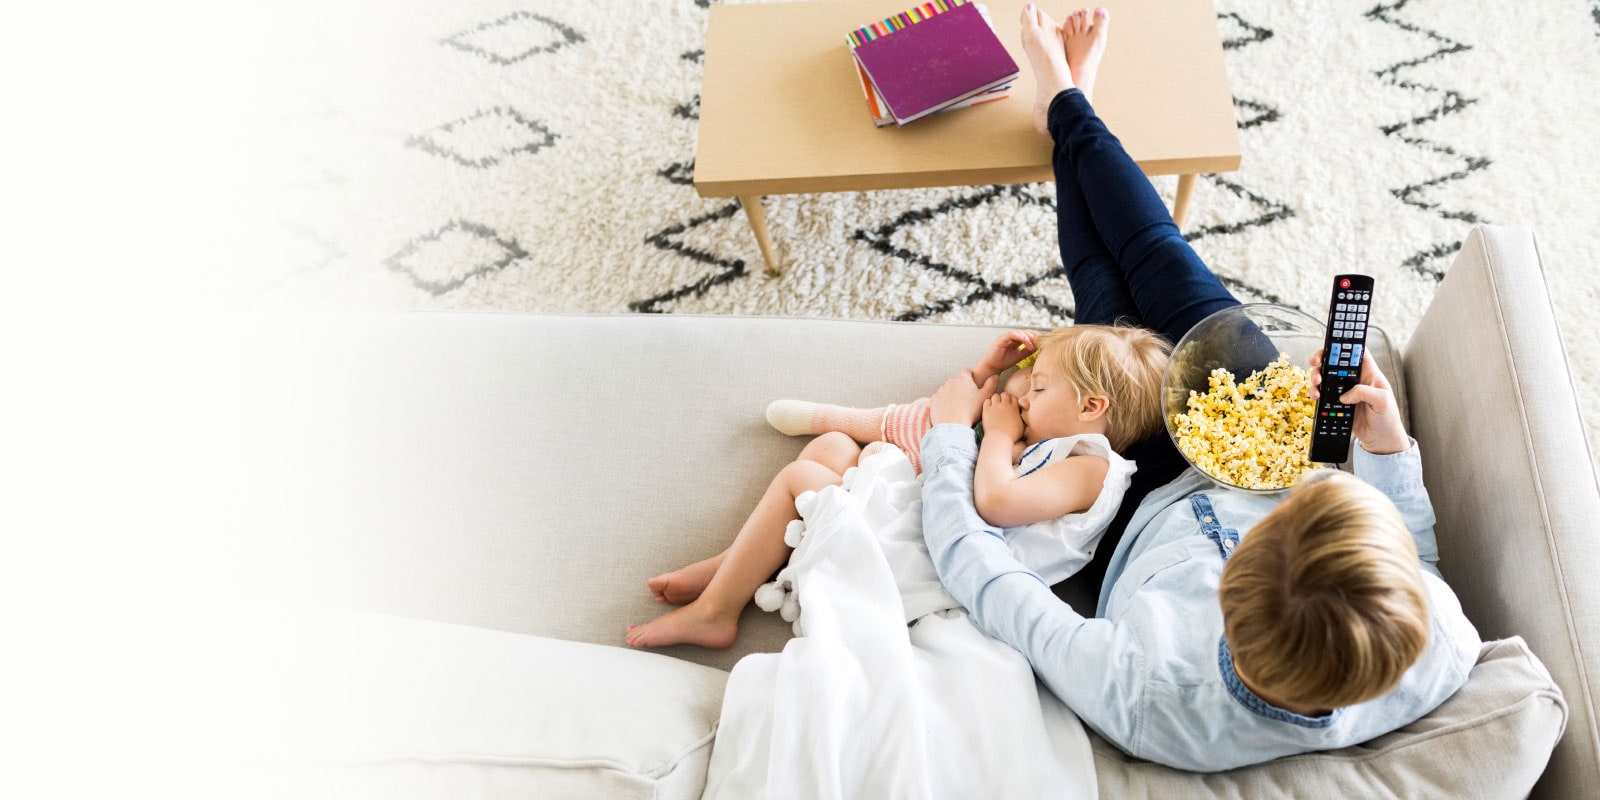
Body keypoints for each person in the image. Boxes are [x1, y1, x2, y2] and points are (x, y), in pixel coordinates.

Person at [917, 4, 1481, 772]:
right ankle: (1067, 99)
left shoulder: (1145, 694)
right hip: (1267, 444)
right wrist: (1385, 451)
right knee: (1157, 253)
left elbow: (979, 573)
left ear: (1230, 598)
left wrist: (951, 438)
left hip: (1138, 501)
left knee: (1102, 299)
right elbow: (1421, 562)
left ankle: (1066, 102)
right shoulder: (1438, 639)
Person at [625, 323, 1169, 648]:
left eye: (1040, 387)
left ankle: (718, 611)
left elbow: (997, 502)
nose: (1021, 397)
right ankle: (733, 565)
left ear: (1092, 408)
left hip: (934, 565)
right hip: (930, 519)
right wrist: (986, 372)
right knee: (834, 449)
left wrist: (1003, 435)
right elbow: (955, 419)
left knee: (802, 479)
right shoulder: (1054, 438)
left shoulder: (1091, 467)